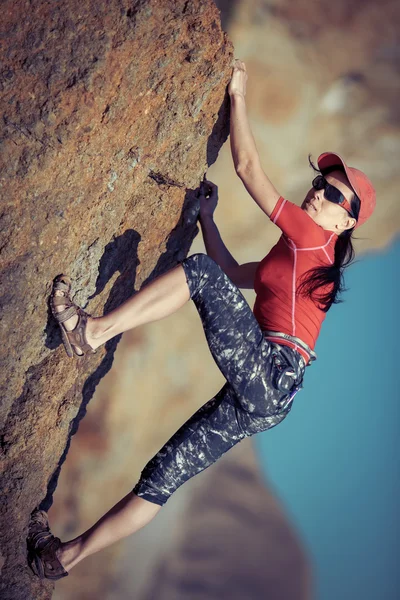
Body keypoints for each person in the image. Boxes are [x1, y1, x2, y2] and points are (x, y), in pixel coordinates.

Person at [27, 59, 376, 580]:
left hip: (271, 374)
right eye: (319, 182)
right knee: (164, 474)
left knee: (198, 272)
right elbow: (235, 272)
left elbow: (249, 172)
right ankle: (61, 559)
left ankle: (91, 332)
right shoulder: (301, 258)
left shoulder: (313, 239)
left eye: (332, 193)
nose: (318, 191)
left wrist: (238, 95)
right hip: (270, 396)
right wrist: (207, 220)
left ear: (346, 220)